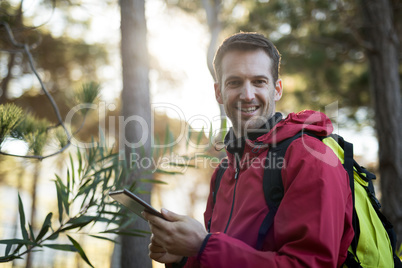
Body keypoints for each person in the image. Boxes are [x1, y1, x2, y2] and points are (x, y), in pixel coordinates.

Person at [143, 32, 354, 268]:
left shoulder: (311, 158)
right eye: (234, 82)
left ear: (277, 89)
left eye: (259, 81)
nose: (247, 95)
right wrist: (185, 258)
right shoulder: (223, 171)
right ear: (218, 92)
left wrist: (203, 247)